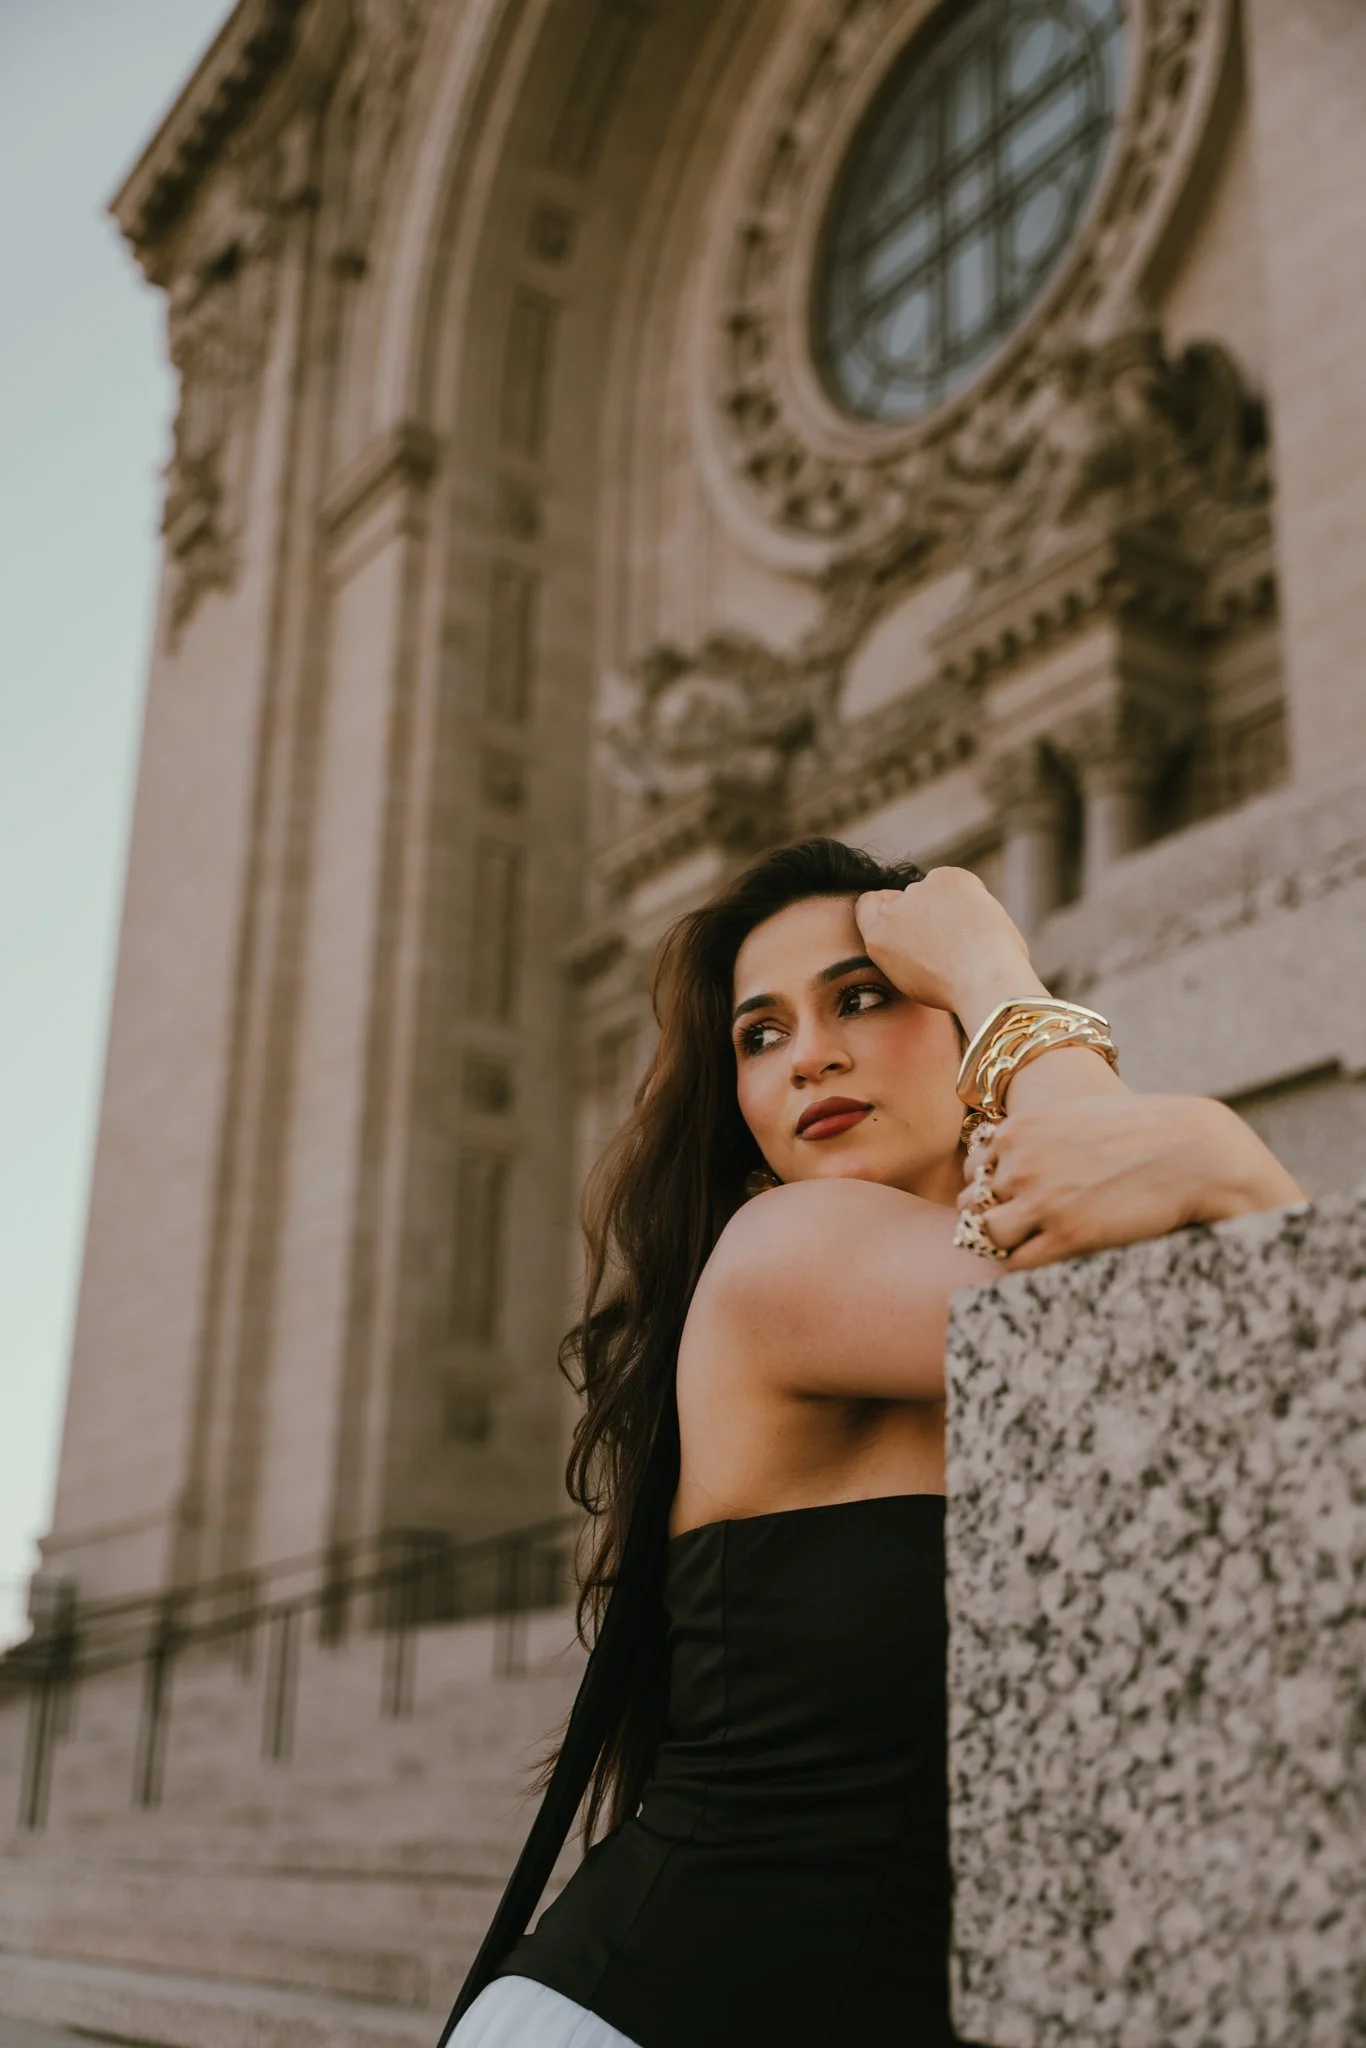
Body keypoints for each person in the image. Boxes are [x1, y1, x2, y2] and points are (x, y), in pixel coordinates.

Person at [440, 839, 1305, 2048]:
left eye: (861, 995)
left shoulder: (957, 1307)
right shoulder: (781, 1252)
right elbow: (1141, 1293)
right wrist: (997, 964)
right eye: (759, 1033)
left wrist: (1216, 1161)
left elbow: (1287, 1368)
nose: (810, 1053)